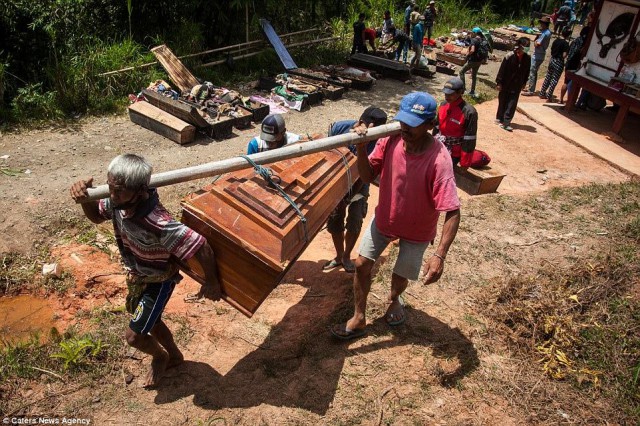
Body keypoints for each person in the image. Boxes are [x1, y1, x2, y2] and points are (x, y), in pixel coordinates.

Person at [69, 154, 221, 387]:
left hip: (158, 281)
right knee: (155, 321)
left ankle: (160, 356)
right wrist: (85, 200)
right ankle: (176, 356)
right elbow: (97, 217)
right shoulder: (119, 203)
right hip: (138, 276)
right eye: (109, 187)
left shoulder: (158, 222)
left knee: (134, 336)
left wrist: (211, 283)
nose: (111, 195)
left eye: (118, 190)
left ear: (140, 191)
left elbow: (201, 246)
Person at [330, 92, 461, 340]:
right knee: (361, 265)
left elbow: (453, 210)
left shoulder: (439, 159)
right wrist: (360, 146)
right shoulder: (390, 140)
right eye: (403, 121)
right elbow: (368, 177)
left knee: (401, 274)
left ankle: (394, 300)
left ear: (430, 125)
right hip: (385, 220)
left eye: (413, 124)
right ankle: (359, 317)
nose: (405, 128)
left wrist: (440, 255)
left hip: (417, 229)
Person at [323, 106, 388, 274]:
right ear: (360, 123)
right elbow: (327, 156)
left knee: (355, 220)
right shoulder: (339, 128)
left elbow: (367, 175)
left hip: (360, 183)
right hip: (336, 181)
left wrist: (347, 198)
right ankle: (338, 256)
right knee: (335, 220)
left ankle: (346, 256)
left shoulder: (380, 141)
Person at [434, 77, 478, 167]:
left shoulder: (469, 112)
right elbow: (436, 127)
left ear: (460, 92)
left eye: (450, 94)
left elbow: (470, 138)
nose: (447, 96)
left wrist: (465, 162)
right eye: (445, 93)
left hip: (454, 153)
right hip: (439, 146)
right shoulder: (443, 105)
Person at [496, 37, 532, 131]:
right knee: (503, 100)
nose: (527, 48)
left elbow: (527, 71)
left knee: (512, 103)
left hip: (517, 84)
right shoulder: (509, 56)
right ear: (520, 46)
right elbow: (502, 70)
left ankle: (506, 122)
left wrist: (524, 82)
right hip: (506, 83)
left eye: (528, 46)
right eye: (526, 46)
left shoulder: (527, 58)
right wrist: (499, 82)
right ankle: (499, 117)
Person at [539, 26, 572, 101]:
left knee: (548, 77)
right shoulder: (566, 44)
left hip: (552, 59)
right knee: (554, 79)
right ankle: (549, 96)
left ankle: (542, 93)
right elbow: (564, 55)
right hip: (559, 61)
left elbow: (551, 49)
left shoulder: (556, 40)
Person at [523, 16, 552, 96]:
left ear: (544, 24)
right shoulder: (546, 32)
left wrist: (535, 40)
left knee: (532, 72)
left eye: (541, 23)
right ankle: (530, 87)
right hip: (540, 55)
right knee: (533, 72)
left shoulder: (545, 34)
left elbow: (537, 44)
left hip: (538, 55)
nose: (540, 25)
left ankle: (531, 90)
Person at [560, 26, 589, 104]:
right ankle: (570, 102)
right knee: (573, 83)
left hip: (569, 62)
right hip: (575, 64)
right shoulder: (585, 43)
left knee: (566, 82)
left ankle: (561, 99)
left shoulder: (575, 40)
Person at [458, 27, 486, 98]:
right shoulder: (482, 40)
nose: (471, 34)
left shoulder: (474, 40)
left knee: (461, 72)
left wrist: (467, 54)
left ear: (475, 33)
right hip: (479, 61)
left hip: (473, 60)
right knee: (474, 76)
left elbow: (472, 50)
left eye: (472, 32)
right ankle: (472, 91)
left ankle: (463, 89)